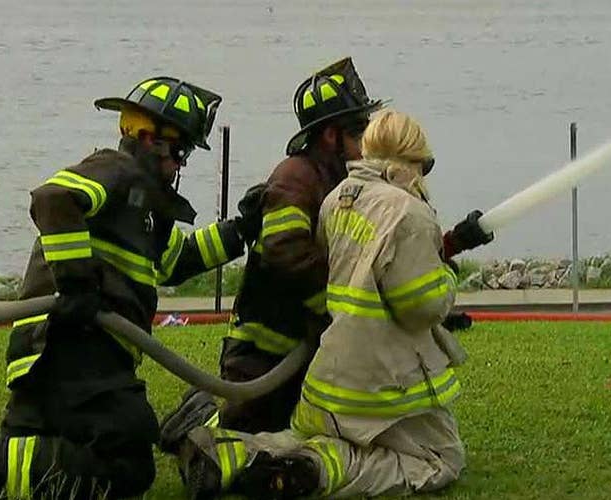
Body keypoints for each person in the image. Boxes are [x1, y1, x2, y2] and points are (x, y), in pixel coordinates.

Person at [0, 76, 261, 499]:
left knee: (35, 448)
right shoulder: (115, 171)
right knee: (128, 460)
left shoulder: (143, 207)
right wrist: (77, 283)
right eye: (178, 151)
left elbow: (176, 260)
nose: (180, 165)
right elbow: (53, 199)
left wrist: (241, 230)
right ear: (145, 137)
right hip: (73, 346)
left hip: (60, 354)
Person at [178, 109, 494, 499]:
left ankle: (230, 455)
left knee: (302, 437)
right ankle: (315, 472)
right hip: (382, 387)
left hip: (325, 383)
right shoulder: (411, 213)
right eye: (423, 166)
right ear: (412, 160)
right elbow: (422, 306)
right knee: (439, 458)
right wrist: (447, 276)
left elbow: (358, 271)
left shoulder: (337, 200)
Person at [159, 57, 384, 452]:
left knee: (313, 434)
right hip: (264, 353)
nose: (366, 144)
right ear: (331, 136)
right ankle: (197, 417)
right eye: (358, 132)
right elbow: (286, 255)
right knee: (244, 436)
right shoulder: (296, 178)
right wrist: (332, 309)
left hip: (310, 345)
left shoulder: (340, 181)